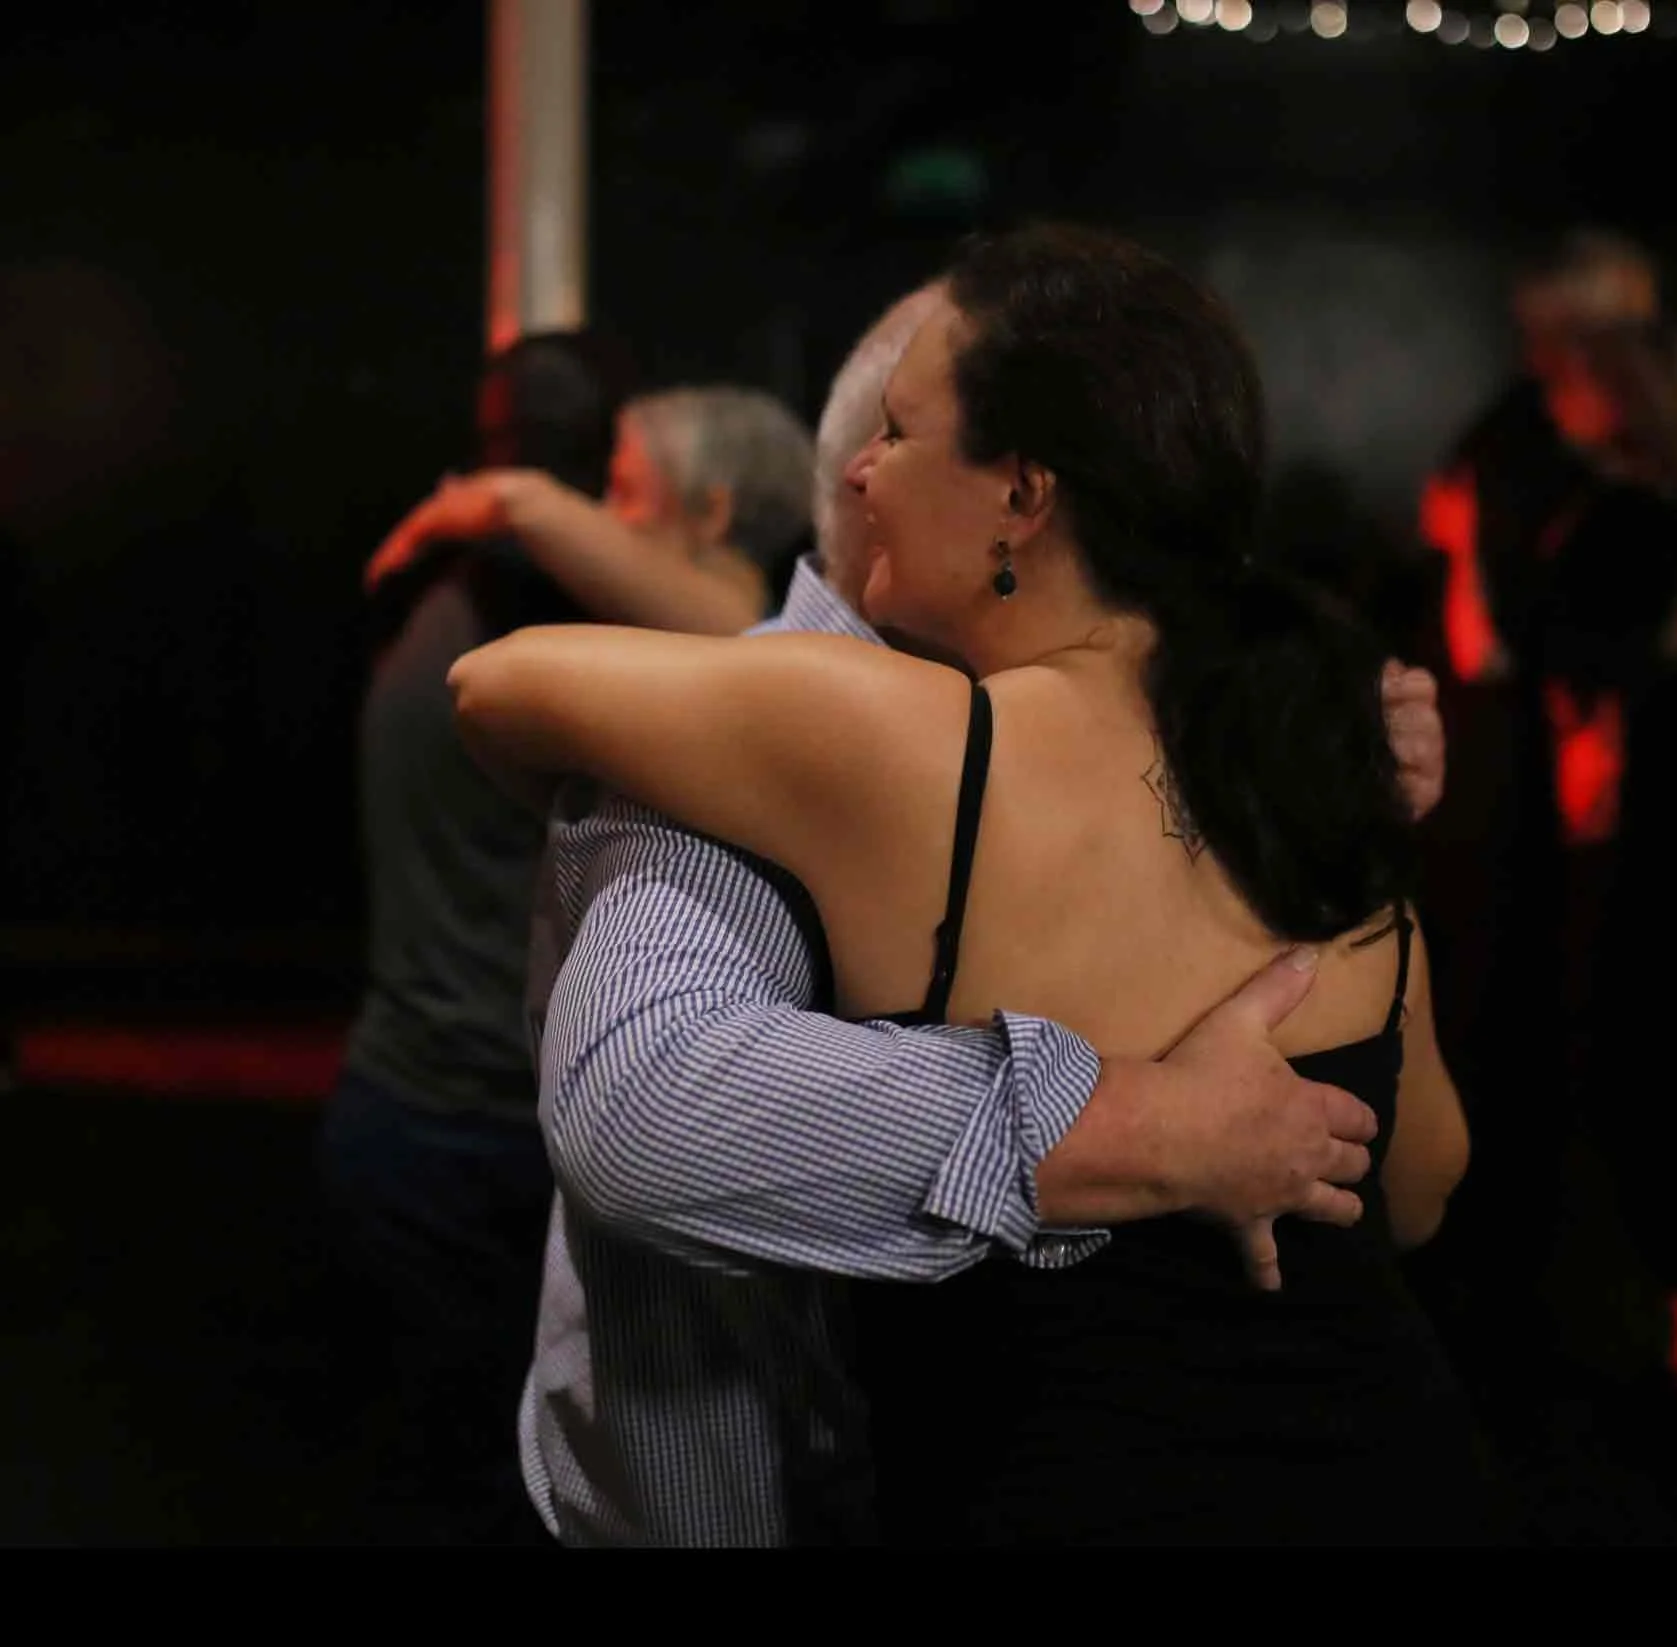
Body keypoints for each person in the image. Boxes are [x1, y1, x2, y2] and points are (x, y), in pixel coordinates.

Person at [451, 224, 1484, 1545]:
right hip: (1392, 1467)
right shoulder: (1324, 751)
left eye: (900, 431)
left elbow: (500, 682)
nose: (864, 475)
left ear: (1024, 496)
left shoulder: (916, 741)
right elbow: (1422, 1181)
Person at [320, 337, 803, 1544]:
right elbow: (749, 628)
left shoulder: (440, 577)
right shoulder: (544, 604)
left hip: (412, 1105)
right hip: (472, 1124)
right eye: (621, 484)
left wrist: (501, 497)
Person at [1415, 229, 1677, 1427]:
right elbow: (1513, 648)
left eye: (1571, 348)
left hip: (1631, 842)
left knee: (1623, 1073)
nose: (1548, 366)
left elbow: (1536, 651)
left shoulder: (1655, 510)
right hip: (1582, 840)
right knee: (1575, 1072)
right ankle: (1661, 1334)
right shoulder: (1595, 483)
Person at [365, 383, 815, 635]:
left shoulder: (742, 632)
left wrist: (500, 502)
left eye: (625, 493)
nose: (604, 516)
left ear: (713, 513)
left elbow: (523, 502)